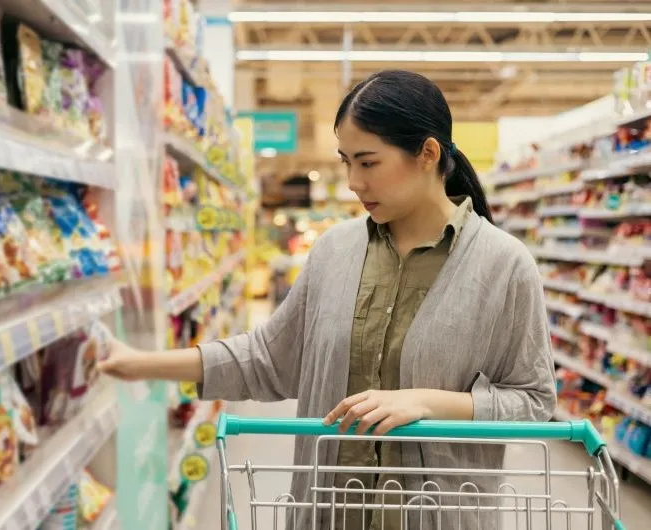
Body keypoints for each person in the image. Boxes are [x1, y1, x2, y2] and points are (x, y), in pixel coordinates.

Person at [100, 70, 556, 530]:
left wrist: (429, 402)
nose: (354, 182)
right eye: (345, 162)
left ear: (428, 153)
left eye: (368, 162)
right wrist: (139, 363)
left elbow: (534, 401)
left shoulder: (505, 265)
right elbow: (266, 359)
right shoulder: (335, 251)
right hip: (330, 512)